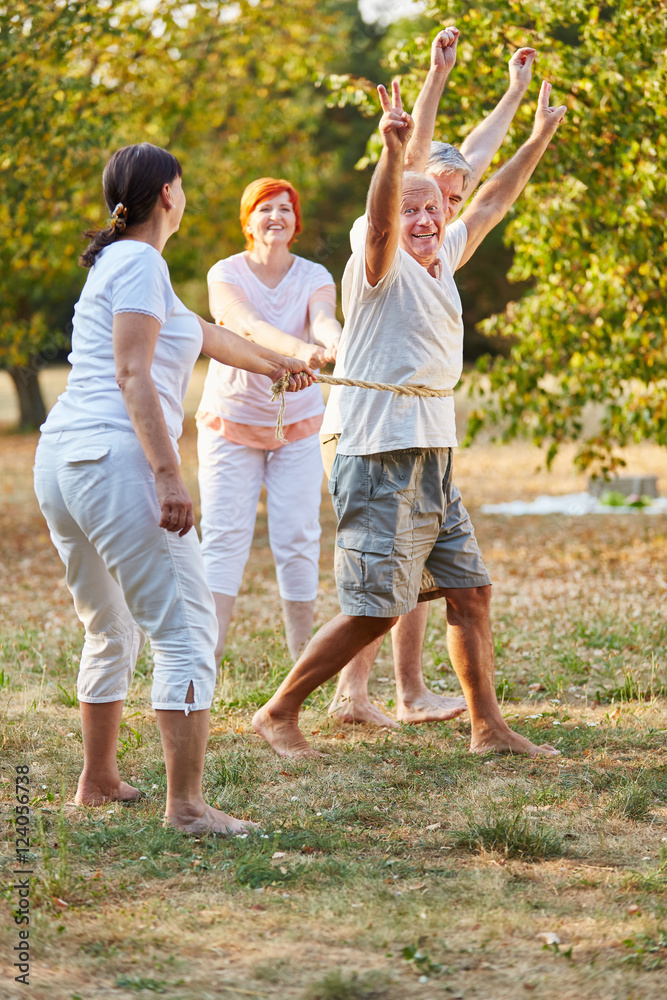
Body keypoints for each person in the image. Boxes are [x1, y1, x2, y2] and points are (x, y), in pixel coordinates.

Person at [252, 58, 567, 759]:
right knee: (377, 609)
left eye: (434, 209)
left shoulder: (443, 254)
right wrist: (394, 155)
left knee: (470, 591)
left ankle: (488, 729)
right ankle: (279, 711)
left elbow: (492, 200)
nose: (425, 218)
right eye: (411, 209)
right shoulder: (381, 262)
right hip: (376, 453)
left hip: (431, 450)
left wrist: (538, 135)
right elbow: (378, 219)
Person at [33, 143, 314, 833]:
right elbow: (132, 373)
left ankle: (99, 781)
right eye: (182, 187)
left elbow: (203, 334)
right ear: (168, 194)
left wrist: (277, 364)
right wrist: (167, 475)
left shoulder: (123, 263)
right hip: (114, 463)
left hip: (65, 460)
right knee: (187, 631)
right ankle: (186, 807)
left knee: (111, 627)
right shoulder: (139, 262)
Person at [323, 30, 539, 728]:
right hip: (368, 426)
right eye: (432, 196)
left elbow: (485, 185)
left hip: (420, 428)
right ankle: (349, 694)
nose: (441, 208)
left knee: (425, 573)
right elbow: (415, 161)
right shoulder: (384, 231)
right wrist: (435, 77)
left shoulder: (442, 241)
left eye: (448, 200)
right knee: (383, 577)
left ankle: (412, 691)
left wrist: (516, 99)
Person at [196, 178, 341, 664]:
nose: (276, 216)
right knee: (224, 537)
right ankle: (206, 658)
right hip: (231, 421)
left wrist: (335, 341)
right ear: (248, 220)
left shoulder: (314, 274)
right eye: (265, 208)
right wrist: (300, 351)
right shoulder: (225, 273)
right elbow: (247, 326)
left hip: (298, 425)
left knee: (299, 536)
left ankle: (301, 658)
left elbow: (323, 317)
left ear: (296, 222)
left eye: (285, 208)